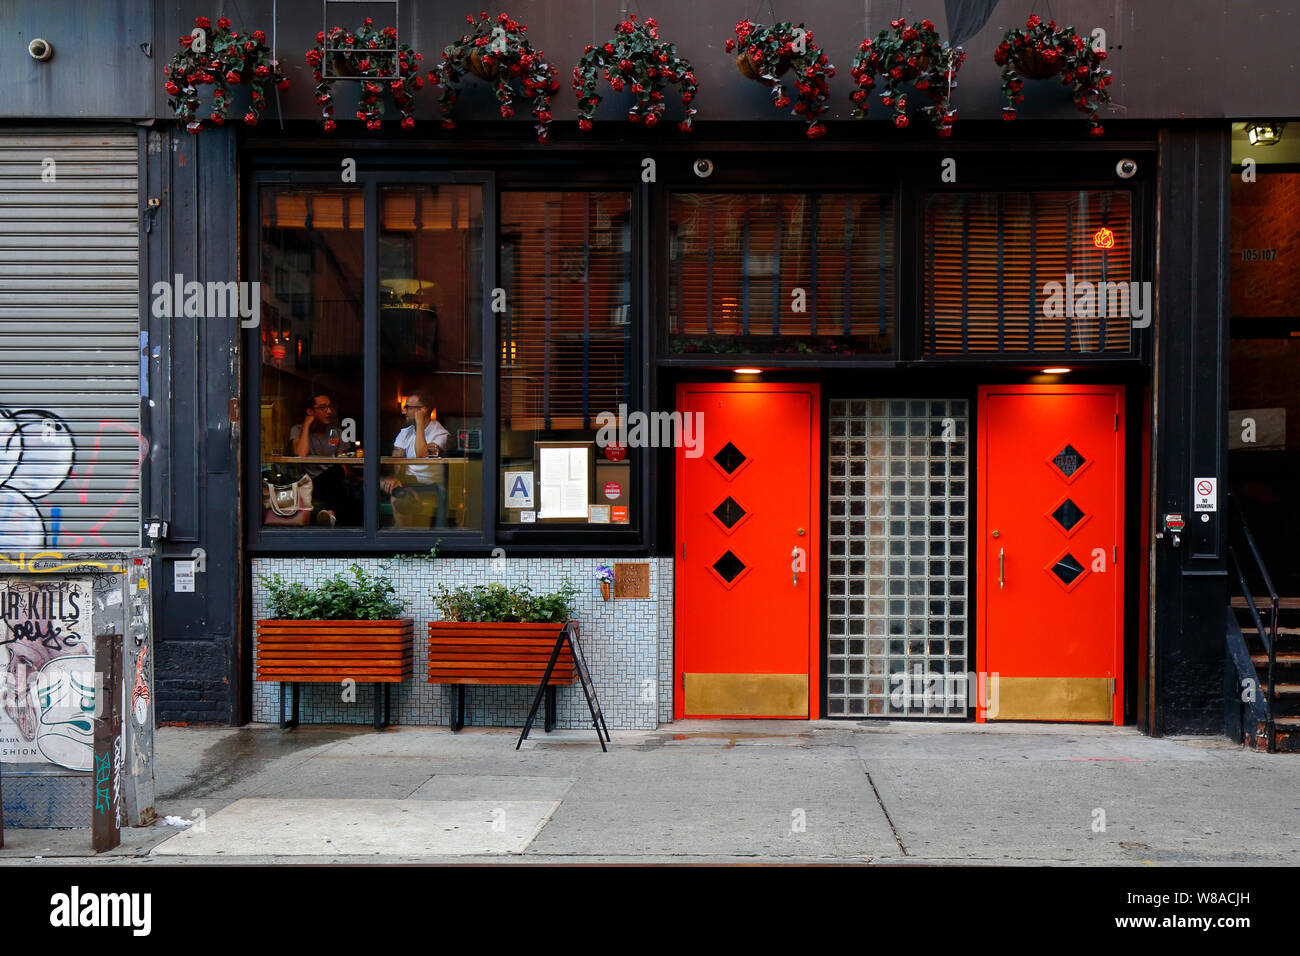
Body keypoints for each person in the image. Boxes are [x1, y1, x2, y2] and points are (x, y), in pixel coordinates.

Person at [382, 389, 451, 526]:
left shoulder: (441, 434)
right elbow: (395, 461)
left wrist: (420, 423)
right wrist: (393, 478)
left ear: (423, 410)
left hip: (430, 486)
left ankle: (402, 537)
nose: (403, 411)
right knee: (376, 483)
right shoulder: (405, 433)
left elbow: (421, 454)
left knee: (401, 498)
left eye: (408, 407)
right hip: (408, 481)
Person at [286, 393, 355, 525]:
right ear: (310, 411)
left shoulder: (337, 432)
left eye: (330, 407)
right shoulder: (297, 429)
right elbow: (301, 453)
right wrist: (306, 425)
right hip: (310, 483)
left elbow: (345, 464)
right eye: (323, 408)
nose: (329, 411)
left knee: (337, 474)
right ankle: (332, 515)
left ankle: (330, 515)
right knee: (335, 473)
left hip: (335, 481)